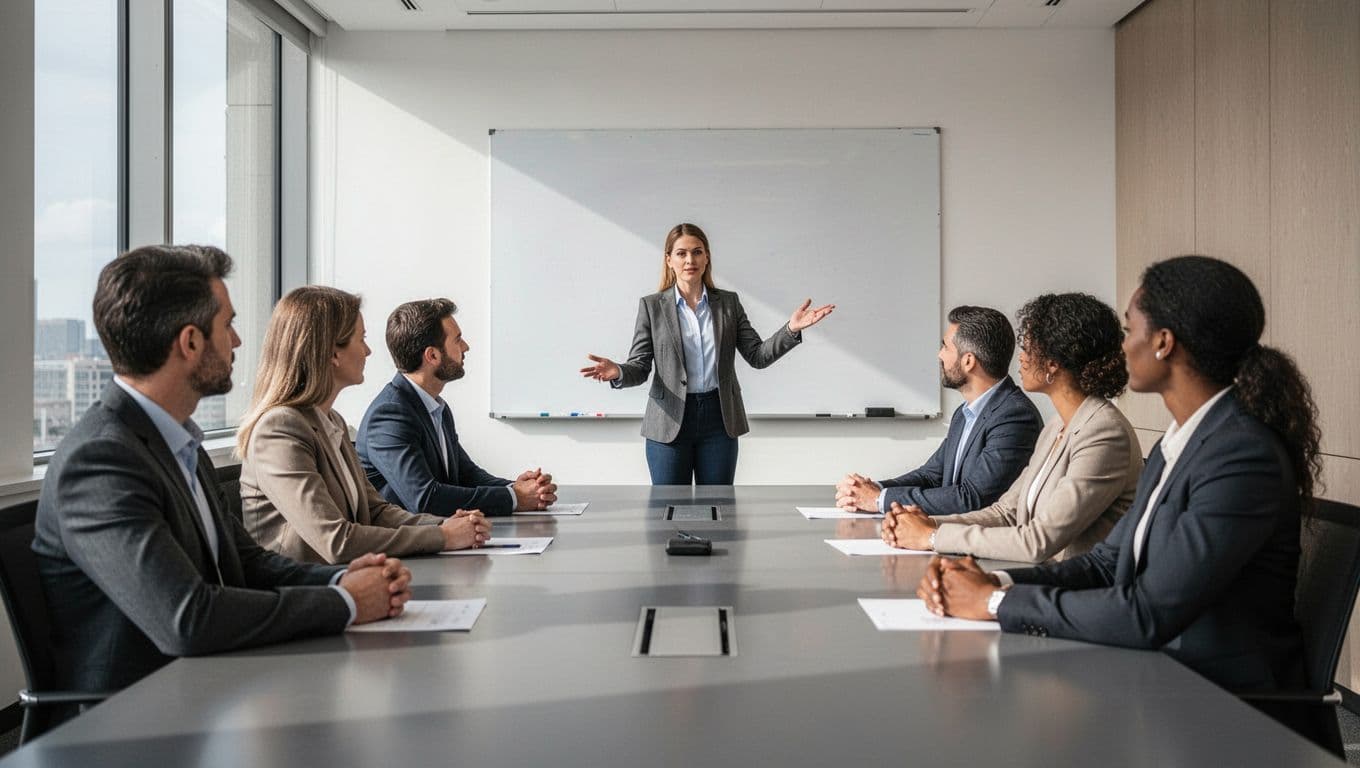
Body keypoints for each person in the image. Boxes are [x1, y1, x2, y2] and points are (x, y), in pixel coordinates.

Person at [918, 255, 1318, 695]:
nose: (1122, 347)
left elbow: (1148, 613)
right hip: (1160, 675)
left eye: (1129, 331)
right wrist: (998, 581)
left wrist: (994, 602)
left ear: (1164, 342)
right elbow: (1105, 563)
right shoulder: (1180, 443)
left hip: (1224, 706)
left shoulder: (1240, 456)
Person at [33, 245, 412, 701]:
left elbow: (246, 562)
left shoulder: (176, 441)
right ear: (190, 342)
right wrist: (346, 602)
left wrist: (342, 580)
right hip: (137, 718)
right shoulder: (101, 461)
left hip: (213, 682)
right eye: (227, 325)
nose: (236, 342)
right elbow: (187, 618)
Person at [238, 287, 492, 565]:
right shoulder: (278, 430)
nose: (369, 351)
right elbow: (337, 541)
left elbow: (377, 511)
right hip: (308, 593)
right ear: (334, 353)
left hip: (354, 580)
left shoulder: (331, 421)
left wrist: (446, 524)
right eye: (362, 339)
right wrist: (442, 536)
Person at [881, 293, 1142, 563]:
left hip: (1077, 591)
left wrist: (931, 537)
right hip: (1041, 579)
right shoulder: (1057, 426)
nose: (1021, 358)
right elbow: (1006, 512)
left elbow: (1038, 541)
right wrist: (926, 523)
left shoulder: (1104, 433)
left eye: (1028, 348)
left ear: (1053, 363)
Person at [580, 222, 834, 485]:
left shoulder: (728, 303)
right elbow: (640, 366)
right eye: (681, 253)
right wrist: (618, 371)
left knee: (719, 510)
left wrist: (791, 329)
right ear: (669, 260)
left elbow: (757, 355)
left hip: (719, 419)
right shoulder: (652, 307)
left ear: (707, 257)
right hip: (669, 419)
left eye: (697, 252)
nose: (690, 260)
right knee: (667, 512)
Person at [835, 306, 1043, 516]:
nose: (940, 355)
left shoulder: (1015, 417)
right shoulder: (964, 414)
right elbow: (931, 475)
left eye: (945, 347)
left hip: (978, 543)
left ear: (968, 361)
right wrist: (874, 489)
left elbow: (972, 498)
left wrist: (879, 500)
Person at [358, 298, 556, 517]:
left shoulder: (436, 407)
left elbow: (466, 475)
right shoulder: (389, 415)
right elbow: (425, 498)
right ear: (432, 355)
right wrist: (515, 498)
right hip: (409, 546)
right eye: (458, 340)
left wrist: (520, 489)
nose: (466, 347)